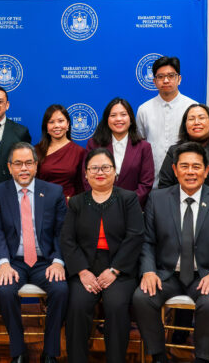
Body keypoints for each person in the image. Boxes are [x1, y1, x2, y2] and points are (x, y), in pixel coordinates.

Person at [132, 142, 209, 363]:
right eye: (184, 166)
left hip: (204, 274)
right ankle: (159, 357)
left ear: (206, 171)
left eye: (196, 166)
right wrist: (148, 271)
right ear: (174, 170)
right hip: (167, 274)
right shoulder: (157, 199)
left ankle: (203, 359)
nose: (190, 172)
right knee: (142, 298)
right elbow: (147, 241)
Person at [60, 148, 144, 363]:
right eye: (94, 168)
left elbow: (135, 236)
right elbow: (67, 239)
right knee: (77, 305)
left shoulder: (128, 199)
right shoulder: (77, 202)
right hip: (85, 269)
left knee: (116, 306)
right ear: (86, 174)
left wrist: (115, 270)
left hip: (119, 269)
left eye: (105, 167)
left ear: (115, 172)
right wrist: (82, 271)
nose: (100, 172)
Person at [0, 142, 69, 363]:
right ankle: (18, 351)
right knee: (5, 290)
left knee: (61, 289)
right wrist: (3, 263)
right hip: (13, 261)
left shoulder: (53, 192)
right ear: (9, 167)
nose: (24, 168)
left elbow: (62, 232)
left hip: (46, 261)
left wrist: (58, 261)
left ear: (36, 165)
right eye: (18, 163)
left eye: (28, 163)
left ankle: (50, 352)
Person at [135, 56, 197, 186]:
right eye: (161, 77)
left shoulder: (193, 107)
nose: (166, 80)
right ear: (154, 81)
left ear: (179, 79)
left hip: (186, 179)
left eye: (171, 76)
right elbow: (140, 145)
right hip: (152, 180)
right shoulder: (144, 109)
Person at [86, 97, 154, 206]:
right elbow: (86, 177)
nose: (118, 119)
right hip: (99, 207)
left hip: (131, 207)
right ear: (107, 119)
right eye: (113, 115)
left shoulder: (143, 147)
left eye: (123, 115)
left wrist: (127, 204)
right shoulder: (94, 144)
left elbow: (146, 183)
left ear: (131, 119)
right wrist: (101, 202)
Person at [157, 104, 209, 193]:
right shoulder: (173, 151)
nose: (196, 122)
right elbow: (164, 187)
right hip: (176, 201)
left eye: (201, 118)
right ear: (185, 125)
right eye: (191, 119)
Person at [34, 104, 87, 198]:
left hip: (70, 203)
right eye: (51, 122)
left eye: (61, 121)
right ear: (46, 126)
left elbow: (81, 186)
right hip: (43, 202)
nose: (56, 125)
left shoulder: (80, 152)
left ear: (68, 124)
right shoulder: (36, 150)